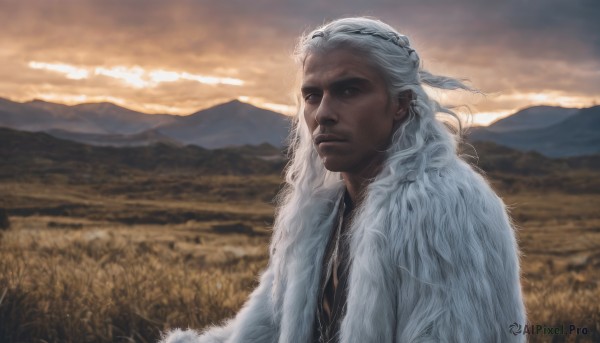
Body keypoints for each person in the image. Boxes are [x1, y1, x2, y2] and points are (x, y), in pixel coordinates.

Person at [160, 17, 526, 343]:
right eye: (312, 95)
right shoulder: (319, 212)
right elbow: (269, 327)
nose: (323, 114)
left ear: (400, 103)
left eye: (349, 90)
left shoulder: (447, 208)